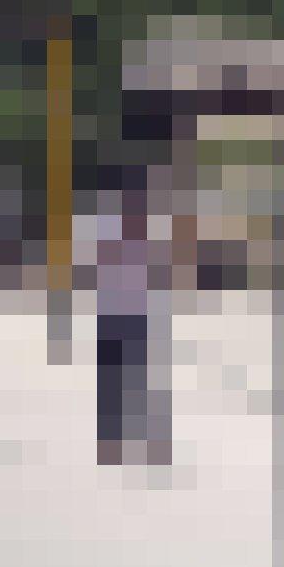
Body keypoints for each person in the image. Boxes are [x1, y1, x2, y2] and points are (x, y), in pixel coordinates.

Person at [91, 184, 173, 466]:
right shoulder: (124, 221)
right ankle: (120, 442)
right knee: (124, 377)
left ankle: (128, 441)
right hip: (123, 312)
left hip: (126, 312)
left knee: (129, 377)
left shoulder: (112, 219)